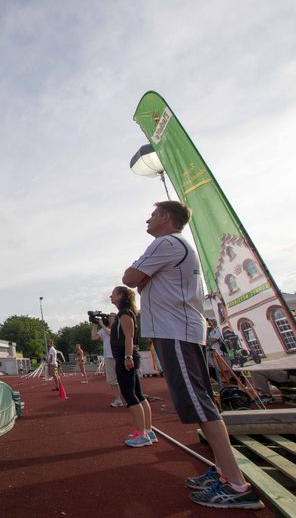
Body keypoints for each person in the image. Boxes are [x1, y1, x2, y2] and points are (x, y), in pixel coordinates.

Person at [123, 200, 263, 509]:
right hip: (179, 331)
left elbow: (130, 279)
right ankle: (225, 473)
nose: (148, 219)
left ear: (166, 218)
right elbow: (139, 283)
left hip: (176, 331)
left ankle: (237, 486)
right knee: (201, 403)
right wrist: (144, 277)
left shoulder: (166, 243)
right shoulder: (173, 245)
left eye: (153, 214)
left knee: (201, 406)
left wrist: (142, 275)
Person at [109, 286, 156, 448]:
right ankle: (147, 431)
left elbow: (129, 337)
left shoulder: (125, 314)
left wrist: (127, 357)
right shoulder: (123, 314)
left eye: (113, 294)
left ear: (121, 295)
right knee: (138, 394)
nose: (111, 296)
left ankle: (142, 434)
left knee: (130, 394)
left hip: (125, 357)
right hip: (125, 356)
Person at [91, 313, 123, 407]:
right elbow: (94, 337)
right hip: (108, 357)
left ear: (116, 318)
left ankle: (132, 398)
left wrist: (101, 324)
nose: (109, 317)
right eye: (108, 316)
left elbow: (110, 333)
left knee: (124, 378)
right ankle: (118, 400)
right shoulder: (104, 329)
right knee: (112, 380)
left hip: (119, 356)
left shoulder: (119, 327)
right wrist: (94, 324)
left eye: (111, 315)